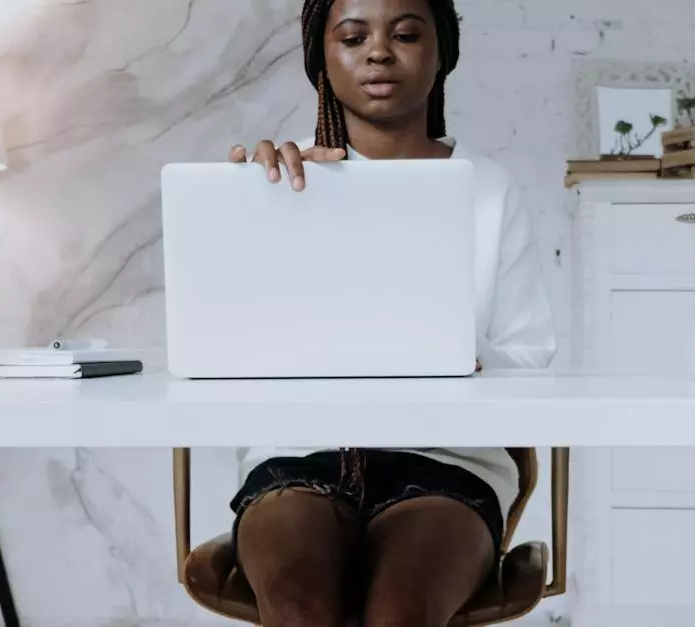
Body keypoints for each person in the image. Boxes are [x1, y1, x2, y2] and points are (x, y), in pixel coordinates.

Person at [224, 0, 556, 626]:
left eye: (405, 33)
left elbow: (530, 355)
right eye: (353, 36)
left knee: (402, 610)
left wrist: (457, 347)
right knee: (298, 602)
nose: (379, 52)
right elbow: (228, 340)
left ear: (442, 52)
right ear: (320, 55)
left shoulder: (486, 185)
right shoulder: (279, 181)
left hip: (447, 463)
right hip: (298, 457)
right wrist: (241, 213)